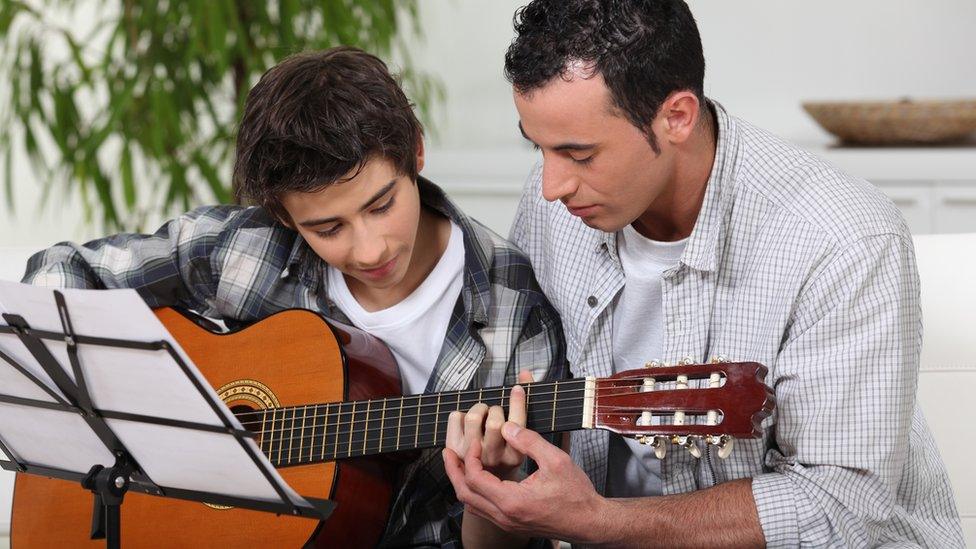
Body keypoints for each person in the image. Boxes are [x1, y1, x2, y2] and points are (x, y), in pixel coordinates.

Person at [442, 1, 964, 547]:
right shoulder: (555, 207)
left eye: (580, 154)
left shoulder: (843, 237)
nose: (551, 186)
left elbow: (840, 509)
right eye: (538, 147)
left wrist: (597, 521)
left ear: (677, 117)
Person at [22, 46, 566, 547]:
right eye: (328, 228)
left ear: (416, 153)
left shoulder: (512, 308)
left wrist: (494, 492)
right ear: (284, 216)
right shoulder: (243, 247)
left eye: (381, 205)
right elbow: (62, 271)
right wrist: (139, 408)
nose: (370, 247)